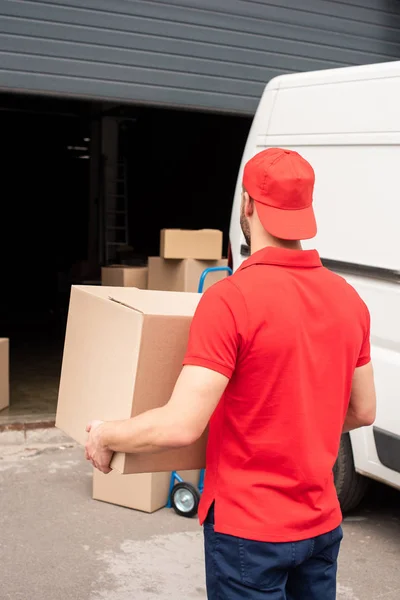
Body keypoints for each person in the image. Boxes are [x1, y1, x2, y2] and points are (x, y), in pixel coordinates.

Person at [85, 148, 376, 600]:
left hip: (250, 531)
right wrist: (297, 428)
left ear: (249, 205)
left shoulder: (230, 299)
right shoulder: (348, 300)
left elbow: (181, 425)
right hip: (321, 523)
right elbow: (363, 409)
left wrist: (106, 436)